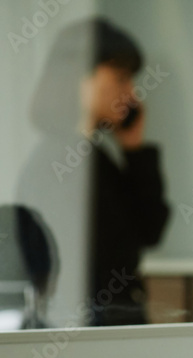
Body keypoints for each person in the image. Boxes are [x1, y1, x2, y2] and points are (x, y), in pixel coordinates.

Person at [17, 17, 170, 327]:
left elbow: (149, 230)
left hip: (106, 331)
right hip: (91, 338)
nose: (132, 94)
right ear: (80, 78)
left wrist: (134, 149)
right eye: (121, 78)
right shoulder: (59, 162)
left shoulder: (95, 159)